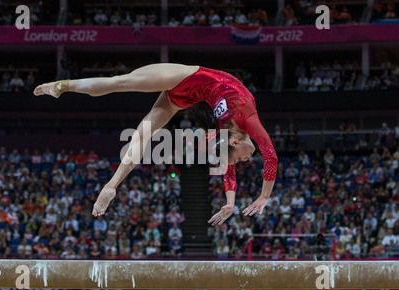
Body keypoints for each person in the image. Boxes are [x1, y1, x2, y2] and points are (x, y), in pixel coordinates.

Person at [34, 63, 278, 226]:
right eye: (242, 158)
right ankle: (63, 85)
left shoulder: (229, 133)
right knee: (120, 82)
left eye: (241, 159)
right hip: (186, 76)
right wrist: (264, 197)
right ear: (235, 142)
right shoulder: (249, 120)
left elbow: (229, 167)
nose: (246, 159)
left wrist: (230, 203)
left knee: (141, 132)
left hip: (188, 94)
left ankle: (111, 185)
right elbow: (271, 156)